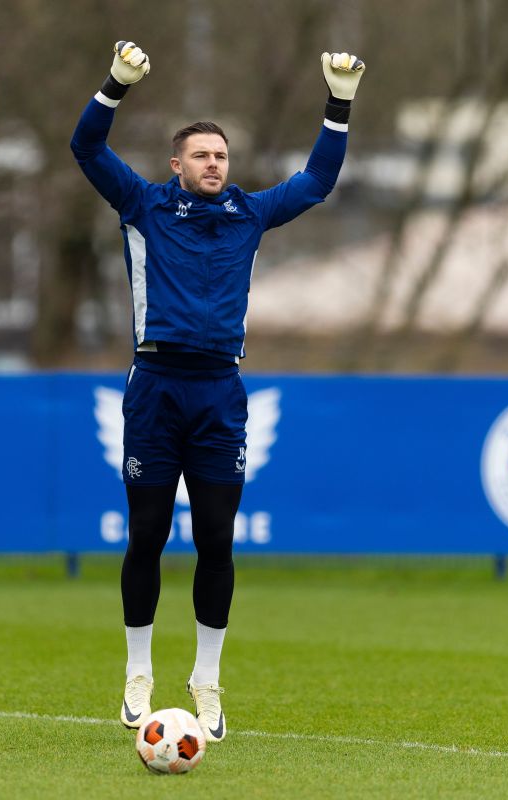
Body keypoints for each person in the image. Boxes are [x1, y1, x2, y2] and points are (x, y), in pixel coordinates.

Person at [70, 40, 365, 742]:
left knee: (216, 543)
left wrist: (339, 106)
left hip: (218, 394)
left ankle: (207, 679)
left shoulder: (249, 215)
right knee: (146, 535)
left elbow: (317, 182)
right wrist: (114, 83)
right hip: (156, 387)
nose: (214, 165)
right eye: (201, 155)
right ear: (177, 164)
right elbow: (85, 147)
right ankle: (137, 672)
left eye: (221, 157)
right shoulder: (142, 205)